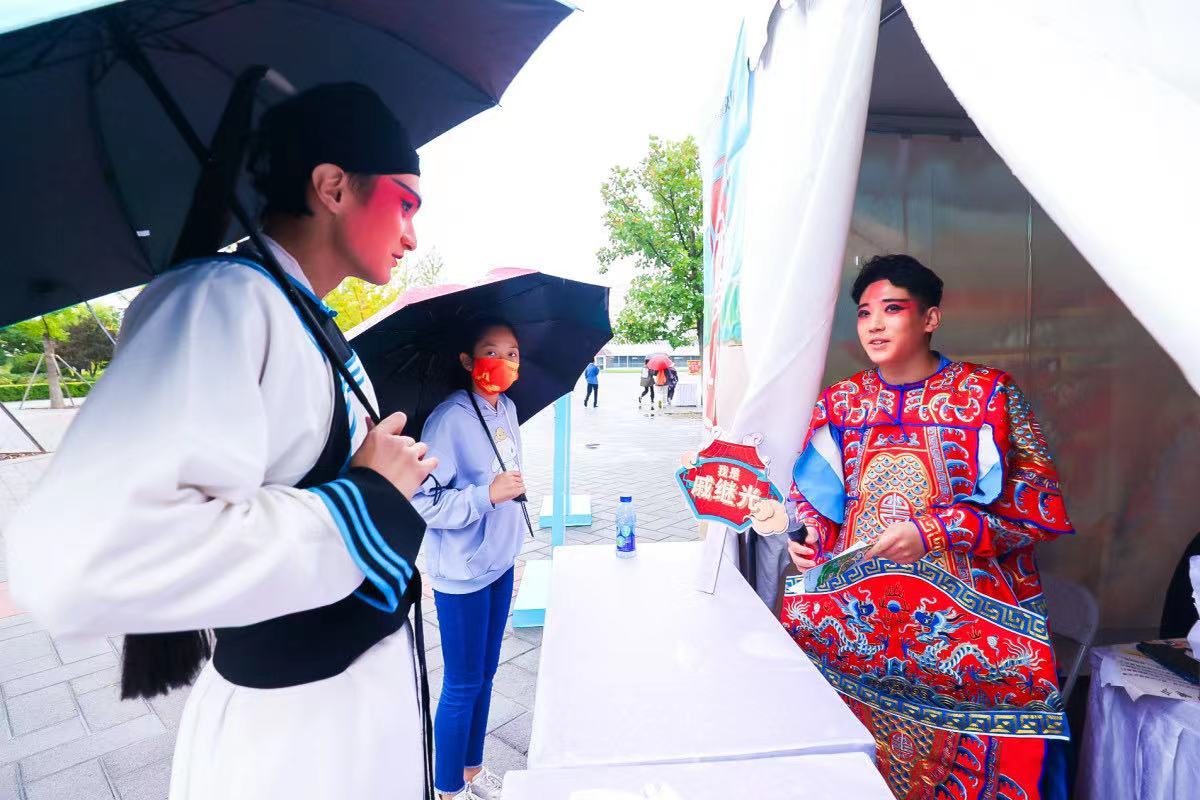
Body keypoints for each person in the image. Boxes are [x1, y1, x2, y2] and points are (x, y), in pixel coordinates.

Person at [6, 83, 437, 800]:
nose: (413, 236)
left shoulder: (299, 313)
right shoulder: (220, 299)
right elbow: (85, 560)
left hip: (353, 713)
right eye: (406, 204)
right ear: (333, 187)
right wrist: (366, 498)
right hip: (296, 743)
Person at [752, 254, 1074, 800]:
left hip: (965, 639)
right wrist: (807, 541)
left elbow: (1036, 505)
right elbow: (817, 499)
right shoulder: (841, 402)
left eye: (893, 309)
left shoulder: (988, 395)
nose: (874, 324)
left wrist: (935, 532)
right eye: (864, 313)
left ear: (930, 318)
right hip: (854, 634)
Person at [411, 320, 527, 800]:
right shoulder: (449, 419)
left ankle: (473, 771)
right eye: (491, 351)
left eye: (512, 353)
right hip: (461, 573)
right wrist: (486, 495)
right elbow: (422, 501)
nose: (503, 362)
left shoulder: (507, 409)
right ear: (467, 360)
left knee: (487, 674)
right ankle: (447, 788)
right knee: (461, 683)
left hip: (500, 562)